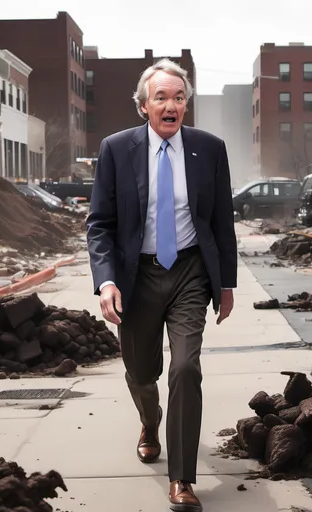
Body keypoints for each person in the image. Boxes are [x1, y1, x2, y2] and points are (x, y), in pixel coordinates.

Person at [86, 58, 237, 512]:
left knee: (186, 367)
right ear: (143, 106)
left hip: (191, 272)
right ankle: (150, 423)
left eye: (179, 98)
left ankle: (182, 480)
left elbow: (222, 223)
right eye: (161, 97)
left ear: (186, 105)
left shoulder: (210, 149)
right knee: (141, 373)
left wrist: (225, 283)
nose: (171, 105)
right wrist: (106, 281)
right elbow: (100, 225)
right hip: (137, 275)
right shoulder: (116, 149)